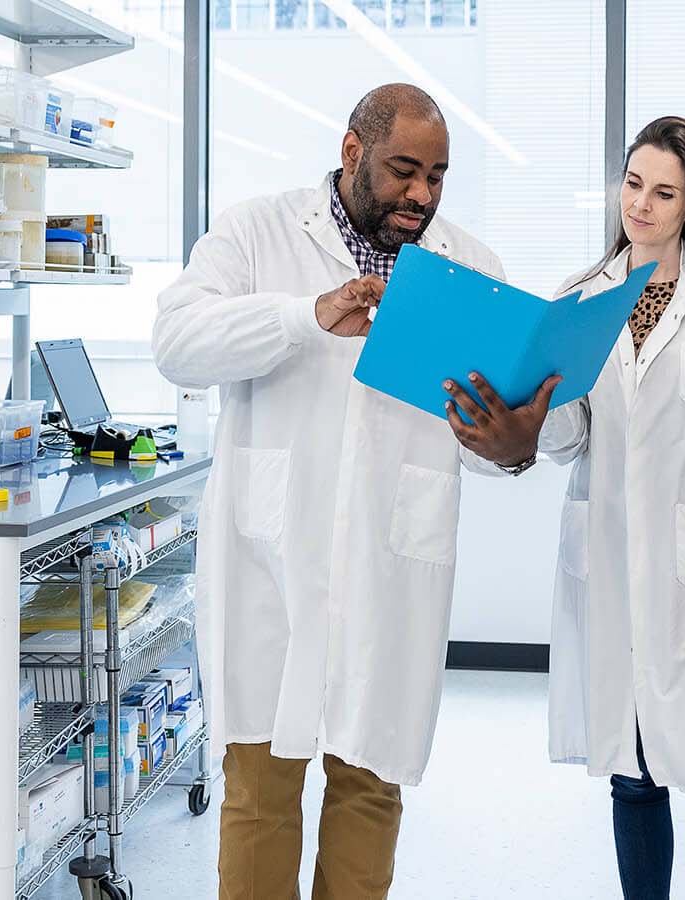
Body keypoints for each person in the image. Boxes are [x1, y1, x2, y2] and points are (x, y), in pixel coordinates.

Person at [152, 83, 551, 900]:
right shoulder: (258, 232)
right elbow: (178, 343)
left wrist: (511, 448)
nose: (422, 196)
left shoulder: (470, 270)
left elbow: (483, 442)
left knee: (371, 786)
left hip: (391, 566)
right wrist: (307, 316)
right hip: (273, 561)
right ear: (351, 152)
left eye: (438, 176)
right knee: (261, 791)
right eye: (405, 170)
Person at [446, 116, 685, 899]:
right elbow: (567, 440)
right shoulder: (579, 299)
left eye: (664, 192)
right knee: (631, 780)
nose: (641, 204)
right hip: (608, 571)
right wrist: (521, 408)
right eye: (633, 184)